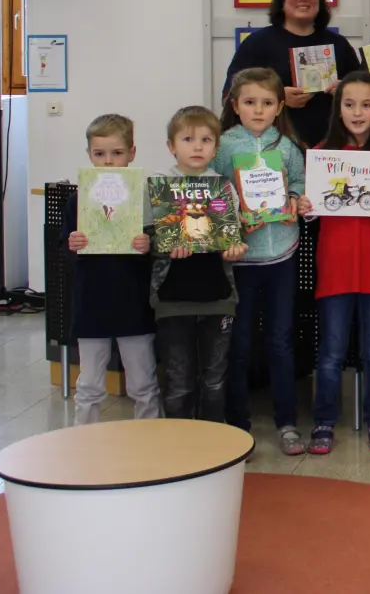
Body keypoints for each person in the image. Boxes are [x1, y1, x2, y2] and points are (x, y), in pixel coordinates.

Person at [211, 68, 307, 454]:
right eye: (249, 102)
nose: (258, 110)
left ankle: (287, 423)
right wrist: (230, 223)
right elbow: (213, 194)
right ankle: (238, 424)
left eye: (267, 103)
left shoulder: (286, 145)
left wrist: (296, 203)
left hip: (282, 253)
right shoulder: (223, 146)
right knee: (240, 342)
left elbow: (299, 184)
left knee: (281, 342)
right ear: (234, 105)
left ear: (279, 107)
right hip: (241, 259)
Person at [305, 71, 370, 455]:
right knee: (331, 351)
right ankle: (324, 422)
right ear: (337, 109)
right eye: (349, 104)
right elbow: (313, 215)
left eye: (366, 104)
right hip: (336, 264)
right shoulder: (325, 150)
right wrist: (306, 209)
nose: (357, 112)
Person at [150, 106, 248, 421]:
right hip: (172, 298)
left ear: (216, 148)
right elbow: (146, 239)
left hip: (218, 297)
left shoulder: (224, 188)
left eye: (206, 140)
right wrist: (162, 247)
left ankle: (213, 448)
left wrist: (235, 249)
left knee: (215, 379)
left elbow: (233, 237)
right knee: (178, 380)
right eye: (188, 139)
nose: (197, 147)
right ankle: (179, 450)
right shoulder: (160, 188)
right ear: (171, 146)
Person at [64, 114, 159, 425]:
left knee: (143, 382)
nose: (108, 162)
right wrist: (73, 243)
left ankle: (149, 440)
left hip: (134, 301)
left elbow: (161, 250)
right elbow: (64, 254)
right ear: (89, 155)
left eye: (117, 153)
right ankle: (84, 440)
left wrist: (149, 244)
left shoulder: (146, 198)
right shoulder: (78, 200)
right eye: (100, 154)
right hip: (91, 301)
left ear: (132, 153)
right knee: (90, 382)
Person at [223, 0, 361, 147]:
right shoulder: (257, 43)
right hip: (270, 146)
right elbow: (229, 94)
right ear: (282, 1)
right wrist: (277, 97)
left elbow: (364, 92)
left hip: (331, 147)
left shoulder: (338, 45)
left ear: (320, 2)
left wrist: (345, 92)